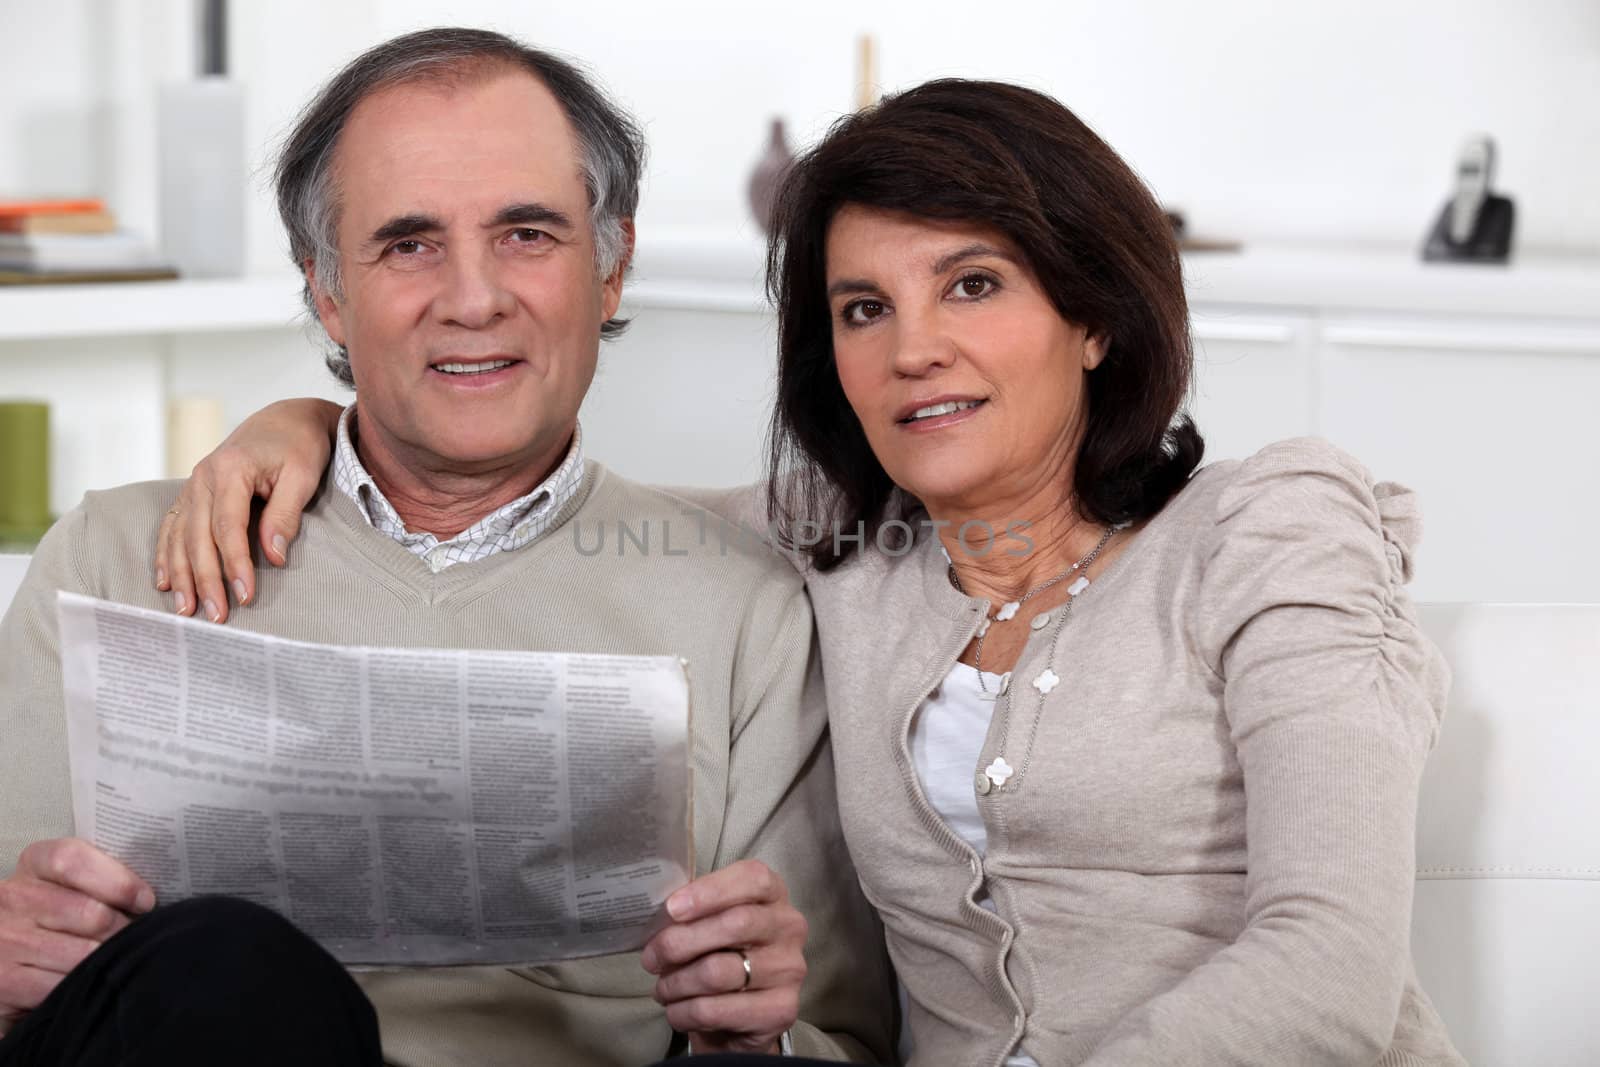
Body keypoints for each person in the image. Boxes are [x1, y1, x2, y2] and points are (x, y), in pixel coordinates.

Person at [151, 78, 1466, 1065]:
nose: (913, 350)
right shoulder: (849, 541)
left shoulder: (1269, 525)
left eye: (972, 284)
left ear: (1094, 315)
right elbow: (528, 490)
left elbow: (1328, 968)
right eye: (862, 307)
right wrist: (315, 425)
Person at [0, 28, 893, 1067]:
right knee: (227, 967)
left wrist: (755, 1017)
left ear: (612, 268)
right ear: (328, 290)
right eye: (409, 242)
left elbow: (838, 1036)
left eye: (526, 234)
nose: (473, 298)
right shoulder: (119, 557)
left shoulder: (747, 606)